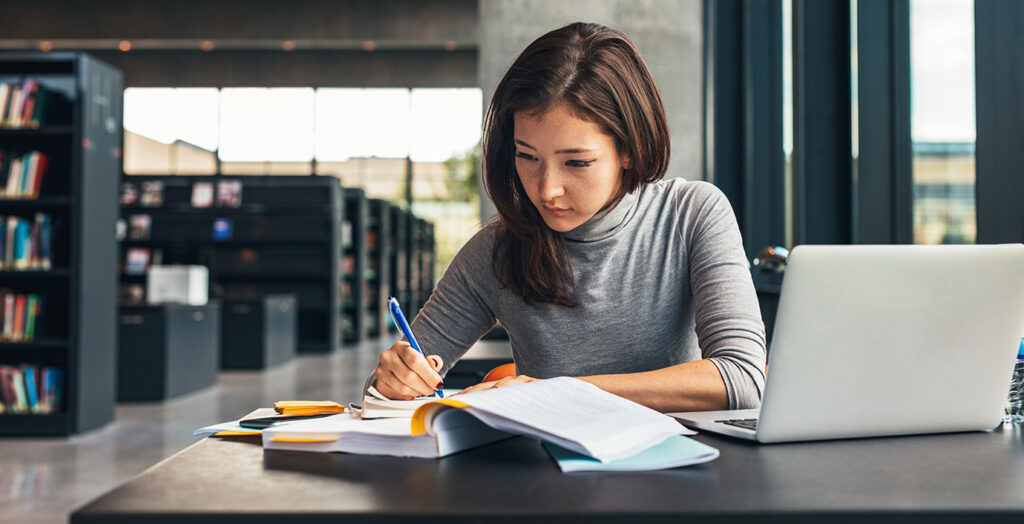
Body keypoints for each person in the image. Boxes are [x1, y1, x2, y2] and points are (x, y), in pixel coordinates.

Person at [371, 22, 766, 412]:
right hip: (549, 473)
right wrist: (391, 381)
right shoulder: (495, 250)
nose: (546, 190)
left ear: (628, 150)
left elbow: (742, 379)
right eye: (527, 156)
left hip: (682, 468)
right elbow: (381, 395)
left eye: (576, 162)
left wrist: (551, 392)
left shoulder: (691, 214)